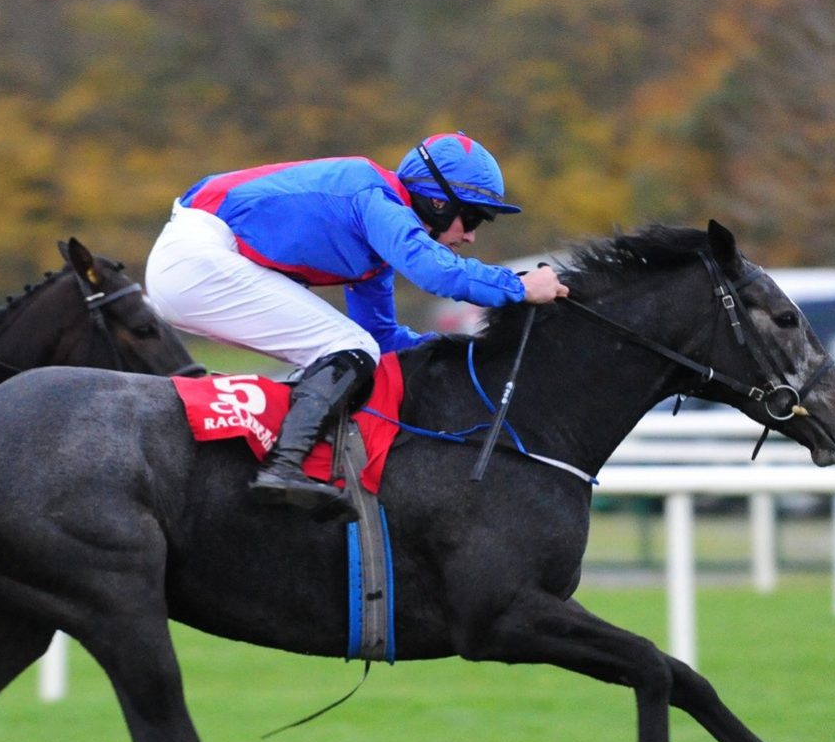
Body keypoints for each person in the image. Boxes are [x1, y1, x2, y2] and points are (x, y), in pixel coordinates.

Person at [145, 132, 569, 515]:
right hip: (196, 256)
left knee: (357, 347)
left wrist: (462, 356)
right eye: (472, 218)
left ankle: (286, 458)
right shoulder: (374, 196)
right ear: (436, 202)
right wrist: (518, 285)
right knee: (348, 347)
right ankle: (284, 465)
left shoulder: (376, 243)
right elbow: (438, 274)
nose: (471, 236)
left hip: (192, 262)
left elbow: (383, 338)